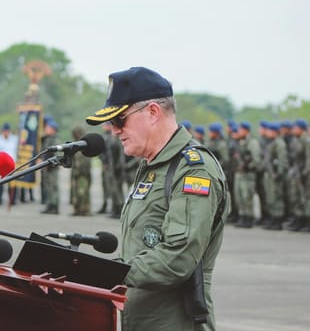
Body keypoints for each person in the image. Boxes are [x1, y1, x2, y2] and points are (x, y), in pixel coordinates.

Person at [85, 66, 230, 331]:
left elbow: (178, 257)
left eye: (119, 120)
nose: (113, 130)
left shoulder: (193, 169)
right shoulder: (154, 166)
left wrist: (106, 272)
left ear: (152, 112)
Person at [69, 125, 91, 216]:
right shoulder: (75, 145)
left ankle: (84, 209)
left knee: (83, 192)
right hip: (76, 173)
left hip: (83, 174)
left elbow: (85, 162)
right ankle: (77, 209)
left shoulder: (85, 145)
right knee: (75, 192)